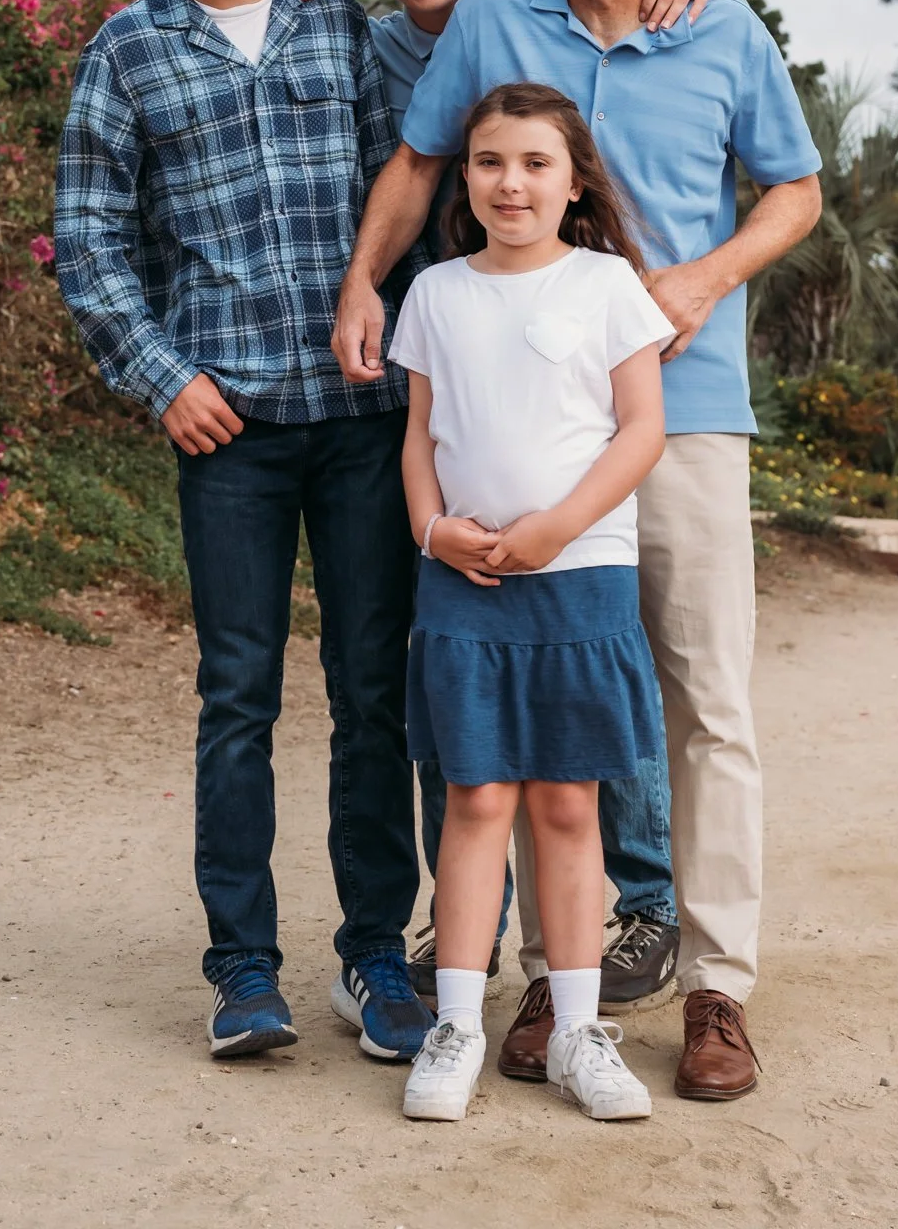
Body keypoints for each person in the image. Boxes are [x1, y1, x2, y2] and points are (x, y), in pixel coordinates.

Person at [333, 0, 823, 1102]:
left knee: (703, 702)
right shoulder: (497, 17)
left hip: (689, 406)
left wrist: (704, 279)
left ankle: (717, 988)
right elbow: (420, 156)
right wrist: (362, 285)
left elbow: (795, 190)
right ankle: (553, 985)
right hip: (515, 425)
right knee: (514, 697)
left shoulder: (720, 25)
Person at [275, 0, 721, 1010]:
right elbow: (412, 165)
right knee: (464, 658)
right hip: (437, 363)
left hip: (571, 369)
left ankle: (641, 907)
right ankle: (475, 927)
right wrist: (366, 282)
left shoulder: (521, 14)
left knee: (589, 650)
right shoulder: (359, 37)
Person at [55, 0, 433, 1070]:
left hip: (365, 420)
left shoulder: (342, 31)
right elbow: (93, 240)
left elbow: (412, 183)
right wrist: (162, 376)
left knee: (375, 694)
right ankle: (243, 970)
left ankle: (378, 958)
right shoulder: (130, 50)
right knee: (238, 698)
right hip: (231, 433)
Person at [391, 82, 676, 1123]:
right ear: (464, 180)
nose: (511, 182)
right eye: (490, 163)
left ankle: (575, 1030)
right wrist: (431, 530)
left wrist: (558, 525)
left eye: (535, 163)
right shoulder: (434, 294)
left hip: (581, 578)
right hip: (462, 585)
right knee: (475, 801)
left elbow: (640, 429)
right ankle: (458, 1026)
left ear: (572, 180)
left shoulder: (607, 284)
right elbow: (418, 439)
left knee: (566, 804)